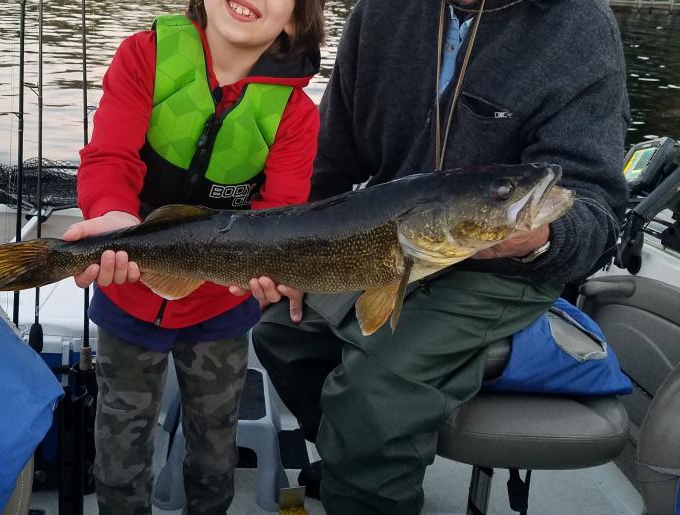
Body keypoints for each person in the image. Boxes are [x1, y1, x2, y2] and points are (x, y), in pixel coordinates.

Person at [231, 0, 631, 513]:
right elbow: (327, 161)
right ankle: (348, 465)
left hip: (506, 267)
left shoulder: (579, 27)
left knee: (374, 395)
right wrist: (289, 250)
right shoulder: (378, 14)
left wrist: (544, 239)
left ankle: (364, 473)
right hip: (390, 243)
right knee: (280, 335)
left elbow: (595, 205)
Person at [60, 1, 325, 513]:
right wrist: (114, 214)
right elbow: (110, 155)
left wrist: (278, 273)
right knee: (119, 443)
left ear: (295, 20)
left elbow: (281, 218)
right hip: (128, 290)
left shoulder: (296, 115)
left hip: (220, 309)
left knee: (214, 446)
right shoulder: (144, 55)